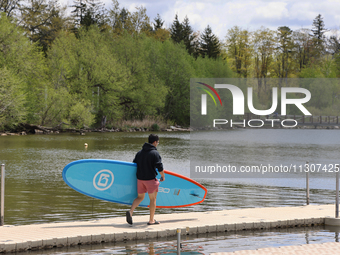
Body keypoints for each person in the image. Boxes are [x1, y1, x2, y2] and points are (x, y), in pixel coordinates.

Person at [126, 134, 165, 225]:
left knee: (140, 197)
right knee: (153, 199)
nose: (157, 144)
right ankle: (151, 220)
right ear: (155, 142)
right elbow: (160, 167)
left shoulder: (140, 153)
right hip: (150, 180)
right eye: (158, 142)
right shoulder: (155, 153)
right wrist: (163, 176)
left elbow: (134, 165)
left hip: (140, 179)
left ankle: (131, 212)